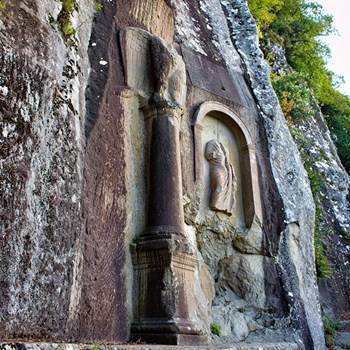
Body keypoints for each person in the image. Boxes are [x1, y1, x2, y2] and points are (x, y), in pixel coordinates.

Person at [205, 140, 236, 215]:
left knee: (221, 188)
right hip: (216, 169)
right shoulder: (211, 144)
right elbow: (207, 156)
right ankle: (213, 204)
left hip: (224, 171)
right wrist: (217, 155)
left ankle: (221, 205)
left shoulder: (223, 149)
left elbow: (226, 162)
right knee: (219, 187)